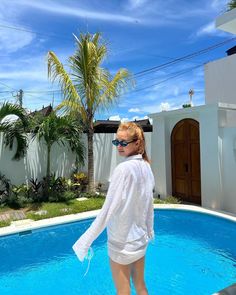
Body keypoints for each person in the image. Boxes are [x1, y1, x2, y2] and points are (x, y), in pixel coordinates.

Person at [73, 122, 155, 295]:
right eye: (116, 142)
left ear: (137, 143)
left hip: (122, 245)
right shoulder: (146, 167)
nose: (119, 146)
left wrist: (85, 242)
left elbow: (107, 211)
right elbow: (149, 204)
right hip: (140, 241)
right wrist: (149, 230)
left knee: (123, 291)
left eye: (123, 143)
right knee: (140, 286)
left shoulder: (123, 169)